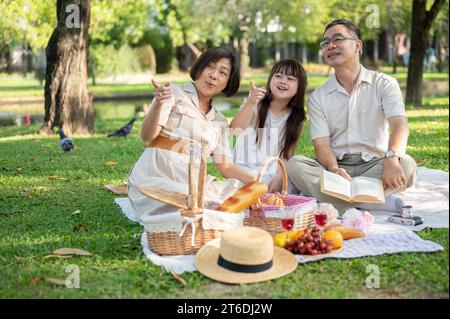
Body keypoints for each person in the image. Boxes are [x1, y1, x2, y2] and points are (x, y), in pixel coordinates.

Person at [287, 19, 417, 214]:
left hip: (375, 164)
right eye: (325, 43)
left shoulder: (384, 83)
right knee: (296, 165)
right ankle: (370, 200)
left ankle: (333, 200)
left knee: (407, 164)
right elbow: (321, 145)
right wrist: (333, 170)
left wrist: (391, 159)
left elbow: (399, 125)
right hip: (337, 168)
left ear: (357, 45)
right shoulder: (318, 96)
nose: (330, 46)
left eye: (337, 39)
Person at [128, 47, 256, 219]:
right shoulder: (171, 92)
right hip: (158, 175)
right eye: (210, 67)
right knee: (185, 201)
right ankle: (208, 209)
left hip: (195, 181)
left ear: (227, 83)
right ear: (199, 68)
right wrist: (158, 104)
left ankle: (209, 207)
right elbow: (147, 135)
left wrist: (256, 181)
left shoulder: (219, 121)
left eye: (222, 72)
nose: (214, 75)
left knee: (236, 190)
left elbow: (226, 167)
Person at [230, 59, 307, 193]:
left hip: (271, 171)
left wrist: (279, 176)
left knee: (294, 185)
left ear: (299, 87)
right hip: (244, 168)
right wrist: (250, 103)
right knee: (243, 188)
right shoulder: (257, 103)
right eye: (278, 76)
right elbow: (234, 130)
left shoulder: (296, 117)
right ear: (270, 79)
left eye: (290, 78)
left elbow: (287, 153)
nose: (283, 81)